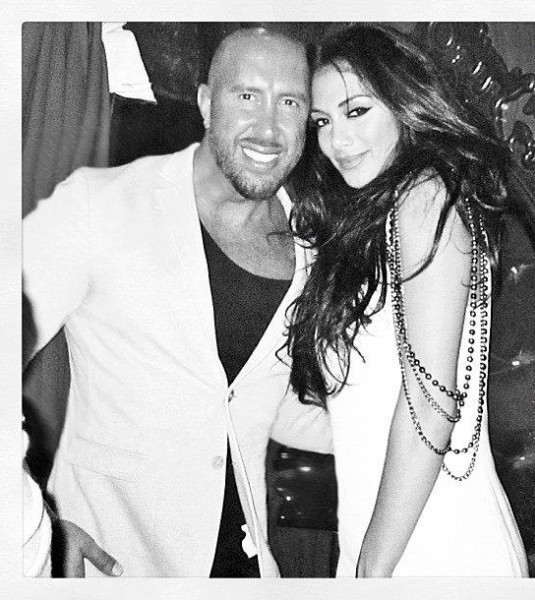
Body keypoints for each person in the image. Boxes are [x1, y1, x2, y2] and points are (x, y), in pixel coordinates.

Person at [22, 27, 331, 577]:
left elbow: (261, 405)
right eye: (247, 95)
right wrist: (32, 523)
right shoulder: (101, 205)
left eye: (289, 102)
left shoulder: (310, 245)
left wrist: (412, 429)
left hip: (246, 565)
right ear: (207, 103)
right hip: (117, 564)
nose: (268, 127)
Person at [286, 23, 529, 577]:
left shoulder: (424, 197)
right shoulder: (377, 217)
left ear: (404, 104)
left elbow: (430, 406)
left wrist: (371, 570)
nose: (336, 140)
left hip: (436, 547)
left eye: (356, 111)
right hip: (389, 539)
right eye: (322, 122)